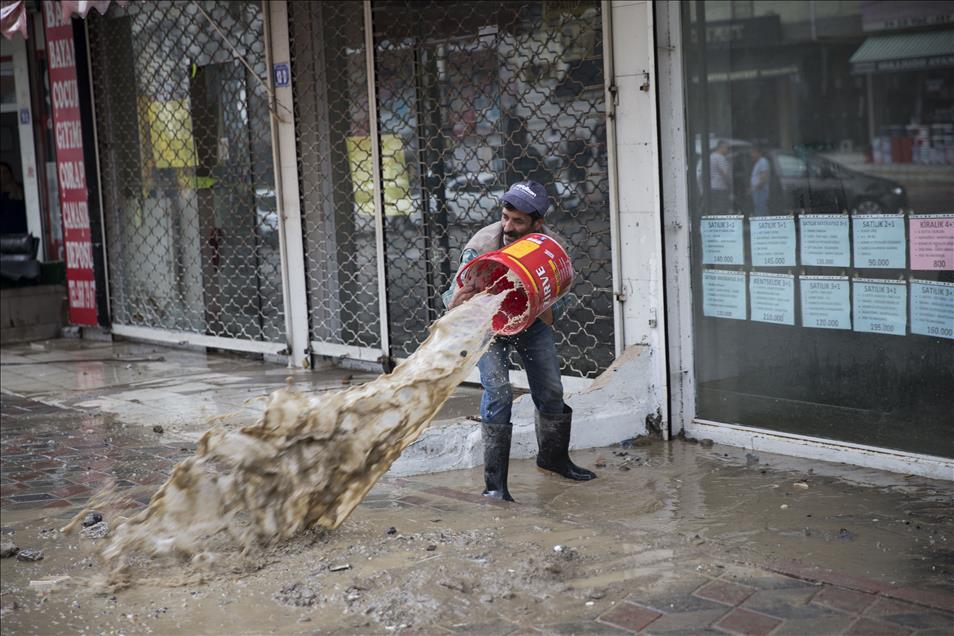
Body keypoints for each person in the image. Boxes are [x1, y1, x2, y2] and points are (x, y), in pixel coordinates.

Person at [443, 180, 596, 502]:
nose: (509, 227)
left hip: (534, 321)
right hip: (488, 325)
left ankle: (553, 459)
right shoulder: (482, 244)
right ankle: (495, 485)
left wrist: (538, 299)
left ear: (538, 223)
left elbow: (563, 299)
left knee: (552, 390)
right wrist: (458, 298)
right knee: (498, 393)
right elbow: (451, 296)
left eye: (518, 221)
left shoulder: (551, 247)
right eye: (505, 217)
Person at [696, 140, 732, 213]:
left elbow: (699, 174)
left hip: (710, 188)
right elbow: (725, 173)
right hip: (720, 188)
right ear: (721, 148)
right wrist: (730, 184)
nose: (728, 151)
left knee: (711, 210)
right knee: (722, 211)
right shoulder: (721, 158)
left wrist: (701, 188)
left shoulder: (709, 157)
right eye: (727, 148)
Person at [749, 146, 771, 215]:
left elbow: (764, 176)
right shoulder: (758, 162)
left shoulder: (763, 162)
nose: (751, 155)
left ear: (758, 153)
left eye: (753, 153)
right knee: (759, 208)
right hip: (757, 190)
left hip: (760, 190)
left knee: (760, 209)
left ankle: (761, 224)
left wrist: (757, 187)